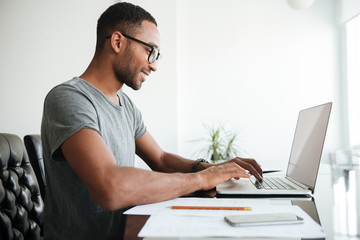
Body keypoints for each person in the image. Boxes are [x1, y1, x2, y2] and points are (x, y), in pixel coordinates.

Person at [41, 2, 263, 240]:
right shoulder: (69, 98)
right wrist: (201, 179)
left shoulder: (125, 106)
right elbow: (110, 187)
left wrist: (211, 169)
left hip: (129, 230)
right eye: (150, 50)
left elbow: (160, 159)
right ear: (117, 42)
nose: (154, 65)